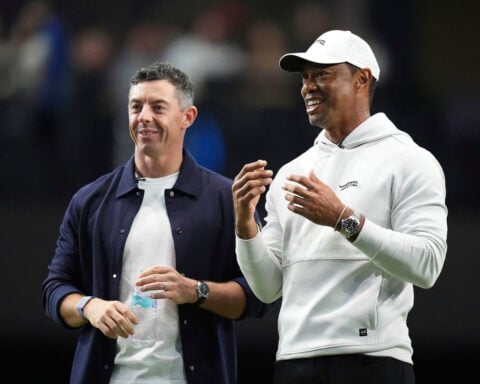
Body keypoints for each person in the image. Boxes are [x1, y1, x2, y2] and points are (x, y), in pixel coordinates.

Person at [232, 30, 447, 384]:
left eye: (322, 75)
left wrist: (342, 219)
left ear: (362, 79)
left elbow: (427, 265)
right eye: (305, 78)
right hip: (293, 360)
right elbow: (267, 288)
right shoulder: (293, 171)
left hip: (373, 361)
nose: (308, 87)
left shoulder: (409, 160)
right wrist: (245, 227)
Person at [42, 61, 269, 384]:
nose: (144, 116)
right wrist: (90, 307)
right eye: (136, 106)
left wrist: (195, 290)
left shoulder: (225, 198)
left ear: (187, 118)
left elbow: (258, 297)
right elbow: (55, 289)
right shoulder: (90, 201)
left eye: (158, 107)